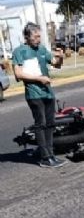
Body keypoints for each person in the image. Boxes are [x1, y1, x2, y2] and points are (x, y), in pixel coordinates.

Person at [12, 23, 65, 168]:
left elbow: (56, 64)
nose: (38, 39)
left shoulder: (41, 49)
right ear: (27, 37)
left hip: (48, 92)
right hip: (34, 94)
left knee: (50, 124)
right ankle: (44, 157)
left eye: (39, 36)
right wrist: (39, 79)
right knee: (40, 124)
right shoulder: (19, 52)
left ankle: (51, 154)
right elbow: (18, 73)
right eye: (35, 37)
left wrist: (60, 57)